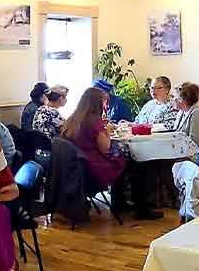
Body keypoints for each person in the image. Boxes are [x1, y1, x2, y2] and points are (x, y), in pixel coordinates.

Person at [62, 87, 160, 221]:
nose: (106, 105)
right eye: (104, 102)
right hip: (95, 168)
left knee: (128, 159)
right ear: (97, 102)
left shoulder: (73, 118)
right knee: (140, 163)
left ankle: (119, 202)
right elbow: (105, 148)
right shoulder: (94, 121)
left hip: (81, 166)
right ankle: (142, 209)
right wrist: (106, 131)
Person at [172, 82, 199, 146]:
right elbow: (175, 133)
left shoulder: (198, 112)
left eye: (174, 97)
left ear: (183, 99)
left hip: (194, 152)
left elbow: (193, 140)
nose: (172, 100)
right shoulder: (181, 112)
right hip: (181, 148)